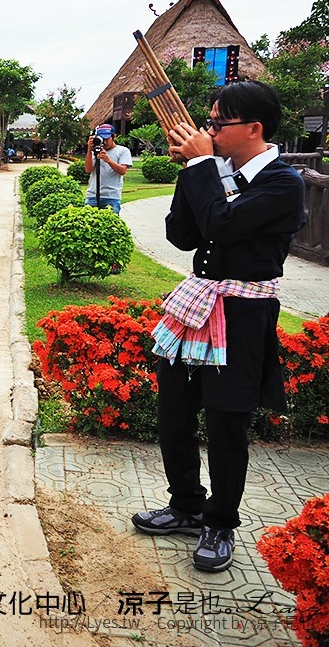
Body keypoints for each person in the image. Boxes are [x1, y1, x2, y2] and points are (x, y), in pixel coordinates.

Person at [131, 81, 306, 573]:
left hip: (244, 317)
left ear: (254, 129)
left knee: (228, 422)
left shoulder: (282, 183)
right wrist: (197, 169)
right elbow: (184, 234)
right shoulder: (215, 171)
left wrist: (203, 167)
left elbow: (223, 225)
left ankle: (220, 522)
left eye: (217, 124)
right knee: (174, 410)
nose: (208, 131)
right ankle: (185, 504)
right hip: (197, 306)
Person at [84, 123, 133, 214]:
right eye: (102, 139)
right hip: (92, 195)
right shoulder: (96, 150)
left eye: (107, 139)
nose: (105, 142)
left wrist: (108, 160)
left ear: (114, 137)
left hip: (112, 196)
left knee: (111, 226)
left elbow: (122, 171)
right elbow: (88, 170)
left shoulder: (122, 151)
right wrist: (89, 150)